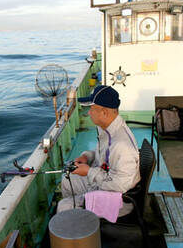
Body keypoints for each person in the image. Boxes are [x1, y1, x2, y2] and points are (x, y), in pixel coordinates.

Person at [57, 85, 141, 217]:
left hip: (119, 200)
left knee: (64, 206)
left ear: (104, 112)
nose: (88, 113)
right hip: (106, 184)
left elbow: (121, 185)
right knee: (67, 180)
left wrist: (89, 171)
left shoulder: (122, 146)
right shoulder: (108, 129)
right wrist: (86, 157)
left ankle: (81, 217)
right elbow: (102, 154)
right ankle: (83, 213)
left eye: (91, 108)